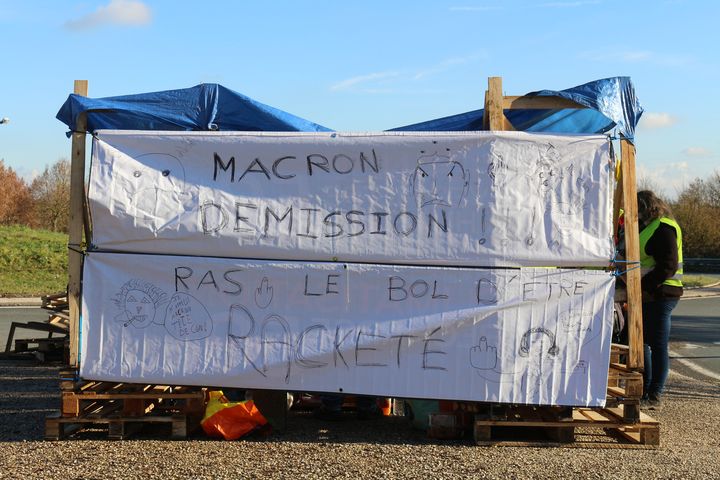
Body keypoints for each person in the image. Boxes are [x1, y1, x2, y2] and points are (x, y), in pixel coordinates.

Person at [637, 190, 683, 407]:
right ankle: (646, 391)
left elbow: (669, 266)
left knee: (657, 345)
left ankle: (654, 393)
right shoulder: (651, 227)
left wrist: (644, 285)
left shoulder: (663, 228)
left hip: (662, 294)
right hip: (651, 293)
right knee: (645, 343)